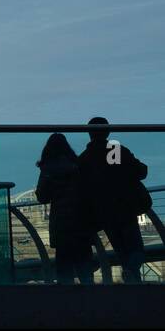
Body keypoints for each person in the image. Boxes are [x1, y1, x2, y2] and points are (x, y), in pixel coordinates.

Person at [78, 117, 150, 283]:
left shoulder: (85, 158)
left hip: (102, 211)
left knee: (122, 251)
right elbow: (139, 171)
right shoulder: (114, 151)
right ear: (107, 131)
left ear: (89, 133)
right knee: (136, 249)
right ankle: (133, 276)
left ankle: (131, 281)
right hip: (125, 206)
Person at [35, 133, 95, 283]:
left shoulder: (48, 169)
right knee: (85, 265)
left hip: (61, 223)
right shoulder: (78, 165)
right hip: (82, 220)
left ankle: (66, 302)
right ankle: (92, 300)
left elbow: (42, 197)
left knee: (64, 266)